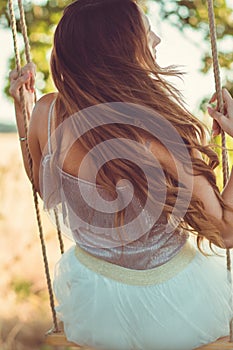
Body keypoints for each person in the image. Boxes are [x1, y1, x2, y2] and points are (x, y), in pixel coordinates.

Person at [9, 0, 233, 349]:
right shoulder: (162, 133)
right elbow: (225, 232)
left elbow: (44, 186)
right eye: (147, 32)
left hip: (96, 299)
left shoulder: (46, 113)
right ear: (121, 49)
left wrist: (23, 113)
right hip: (173, 304)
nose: (157, 39)